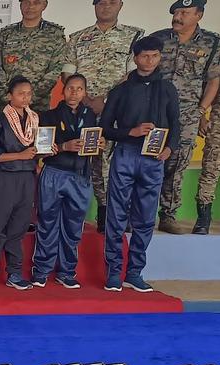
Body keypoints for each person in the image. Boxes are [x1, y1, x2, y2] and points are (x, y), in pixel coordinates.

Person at [101, 36, 179, 292]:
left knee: (145, 219)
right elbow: (104, 129)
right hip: (125, 154)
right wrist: (130, 132)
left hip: (154, 159)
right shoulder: (120, 90)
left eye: (154, 56)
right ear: (135, 58)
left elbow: (176, 126)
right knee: (116, 215)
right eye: (144, 56)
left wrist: (169, 148)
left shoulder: (167, 89)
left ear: (160, 57)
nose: (149, 61)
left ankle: (134, 272)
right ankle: (114, 272)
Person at [68, 0, 144, 233]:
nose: (106, 6)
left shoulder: (134, 37)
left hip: (118, 113)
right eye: (101, 2)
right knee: (90, 162)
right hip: (83, 111)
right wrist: (87, 101)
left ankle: (119, 213)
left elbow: (134, 74)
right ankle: (101, 213)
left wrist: (106, 101)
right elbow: (67, 73)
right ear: (94, 6)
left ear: (120, 5)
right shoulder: (77, 38)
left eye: (112, 2)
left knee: (116, 164)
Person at [151, 0, 220, 234]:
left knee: (177, 163)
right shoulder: (157, 38)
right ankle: (141, 214)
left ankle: (168, 215)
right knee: (149, 161)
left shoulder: (212, 42)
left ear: (198, 15)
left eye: (184, 12)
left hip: (187, 114)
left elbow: (213, 80)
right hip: (155, 113)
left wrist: (201, 111)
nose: (178, 16)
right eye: (176, 12)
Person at [33, 74, 97, 289]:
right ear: (62, 90)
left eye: (79, 89)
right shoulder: (49, 116)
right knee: (47, 223)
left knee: (73, 227)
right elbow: (41, 149)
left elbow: (93, 143)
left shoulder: (90, 117)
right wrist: (63, 147)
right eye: (70, 88)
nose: (74, 93)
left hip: (80, 175)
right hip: (54, 172)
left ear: (85, 92)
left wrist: (100, 144)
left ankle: (67, 271)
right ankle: (41, 270)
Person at [0, 76, 40, 291]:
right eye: (20, 93)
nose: (25, 97)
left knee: (19, 227)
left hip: (27, 178)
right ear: (10, 96)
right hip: (4, 178)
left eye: (28, 93)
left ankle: (14, 273)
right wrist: (21, 156)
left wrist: (47, 149)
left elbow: (35, 150)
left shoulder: (35, 119)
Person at [0, 0, 73, 114]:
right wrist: (8, 97)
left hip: (37, 108)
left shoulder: (55, 34)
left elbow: (55, 70)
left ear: (44, 5)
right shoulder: (5, 34)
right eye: (26, 2)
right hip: (5, 107)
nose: (30, 6)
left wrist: (29, 98)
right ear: (20, 5)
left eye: (36, 2)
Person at [197, 94, 220, 233]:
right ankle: (203, 220)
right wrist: (201, 118)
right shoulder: (217, 71)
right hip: (218, 127)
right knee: (210, 171)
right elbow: (205, 90)